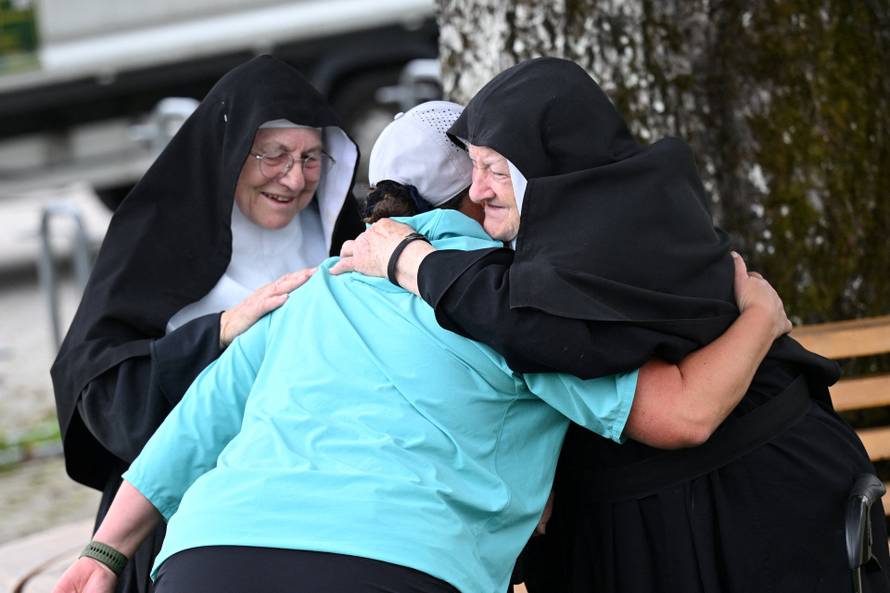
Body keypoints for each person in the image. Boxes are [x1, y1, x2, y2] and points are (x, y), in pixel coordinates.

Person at [53, 101, 789, 593]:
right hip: (397, 563)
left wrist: (104, 552)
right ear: (478, 193)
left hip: (207, 557)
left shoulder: (320, 287)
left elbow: (194, 424)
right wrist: (761, 312)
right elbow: (682, 414)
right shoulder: (514, 302)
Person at [335, 58, 889, 592]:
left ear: (544, 161)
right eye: (472, 171)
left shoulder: (598, 244)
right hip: (693, 503)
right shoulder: (605, 214)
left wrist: (414, 262)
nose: (480, 192)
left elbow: (541, 330)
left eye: (495, 170)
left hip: (750, 503)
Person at [49, 55, 363, 593]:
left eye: (313, 158)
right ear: (230, 150)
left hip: (321, 503)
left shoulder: (341, 234)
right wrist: (219, 332)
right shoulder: (155, 239)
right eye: (275, 155)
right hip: (182, 514)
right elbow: (102, 395)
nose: (295, 178)